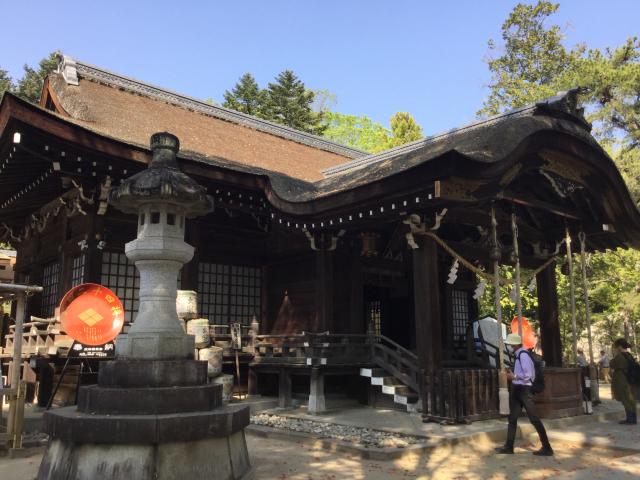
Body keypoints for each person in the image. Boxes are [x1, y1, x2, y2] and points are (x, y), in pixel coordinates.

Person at [496, 334, 554, 456]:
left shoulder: (523, 355)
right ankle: (509, 446)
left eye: (511, 344)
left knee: (534, 418)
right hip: (518, 388)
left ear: (515, 344)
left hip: (524, 390)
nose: (510, 346)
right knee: (512, 418)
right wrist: (514, 375)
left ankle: (547, 447)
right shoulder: (519, 355)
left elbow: (528, 375)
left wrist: (514, 376)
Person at [610, 338, 637, 425]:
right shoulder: (629, 355)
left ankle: (630, 419)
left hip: (622, 380)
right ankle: (632, 418)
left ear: (620, 346)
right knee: (630, 400)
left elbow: (612, 364)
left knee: (626, 400)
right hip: (629, 379)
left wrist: (614, 354)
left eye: (616, 346)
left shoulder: (620, 356)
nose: (615, 348)